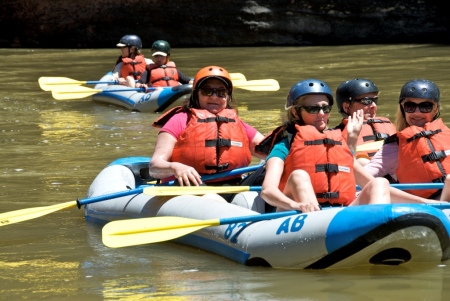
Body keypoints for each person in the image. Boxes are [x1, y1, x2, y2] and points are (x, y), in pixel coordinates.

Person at [256, 79, 441, 213]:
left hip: (337, 214)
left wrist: (425, 203)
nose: (321, 114)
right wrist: (295, 205)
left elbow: (368, 182)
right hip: (297, 215)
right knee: (299, 176)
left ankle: (378, 231)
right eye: (313, 109)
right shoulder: (284, 143)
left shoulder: (336, 141)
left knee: (379, 183)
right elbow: (268, 191)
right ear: (296, 112)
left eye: (325, 108)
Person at [148, 66, 265, 199]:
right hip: (193, 186)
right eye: (208, 91)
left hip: (234, 186)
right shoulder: (179, 120)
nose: (214, 97)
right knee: (190, 182)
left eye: (221, 92)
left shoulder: (239, 124)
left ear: (227, 96)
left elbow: (270, 151)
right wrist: (175, 167)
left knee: (271, 168)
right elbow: (155, 166)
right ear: (196, 94)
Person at [364, 79, 450, 201]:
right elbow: (364, 176)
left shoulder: (447, 136)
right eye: (410, 106)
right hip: (427, 208)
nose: (417, 112)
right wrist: (351, 144)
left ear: (436, 109)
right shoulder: (394, 147)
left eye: (426, 106)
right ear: (402, 109)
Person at [334, 78, 396, 166]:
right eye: (366, 101)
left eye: (375, 101)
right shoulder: (336, 136)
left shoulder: (388, 125)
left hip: (397, 173)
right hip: (365, 174)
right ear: (346, 107)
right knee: (362, 161)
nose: (374, 106)